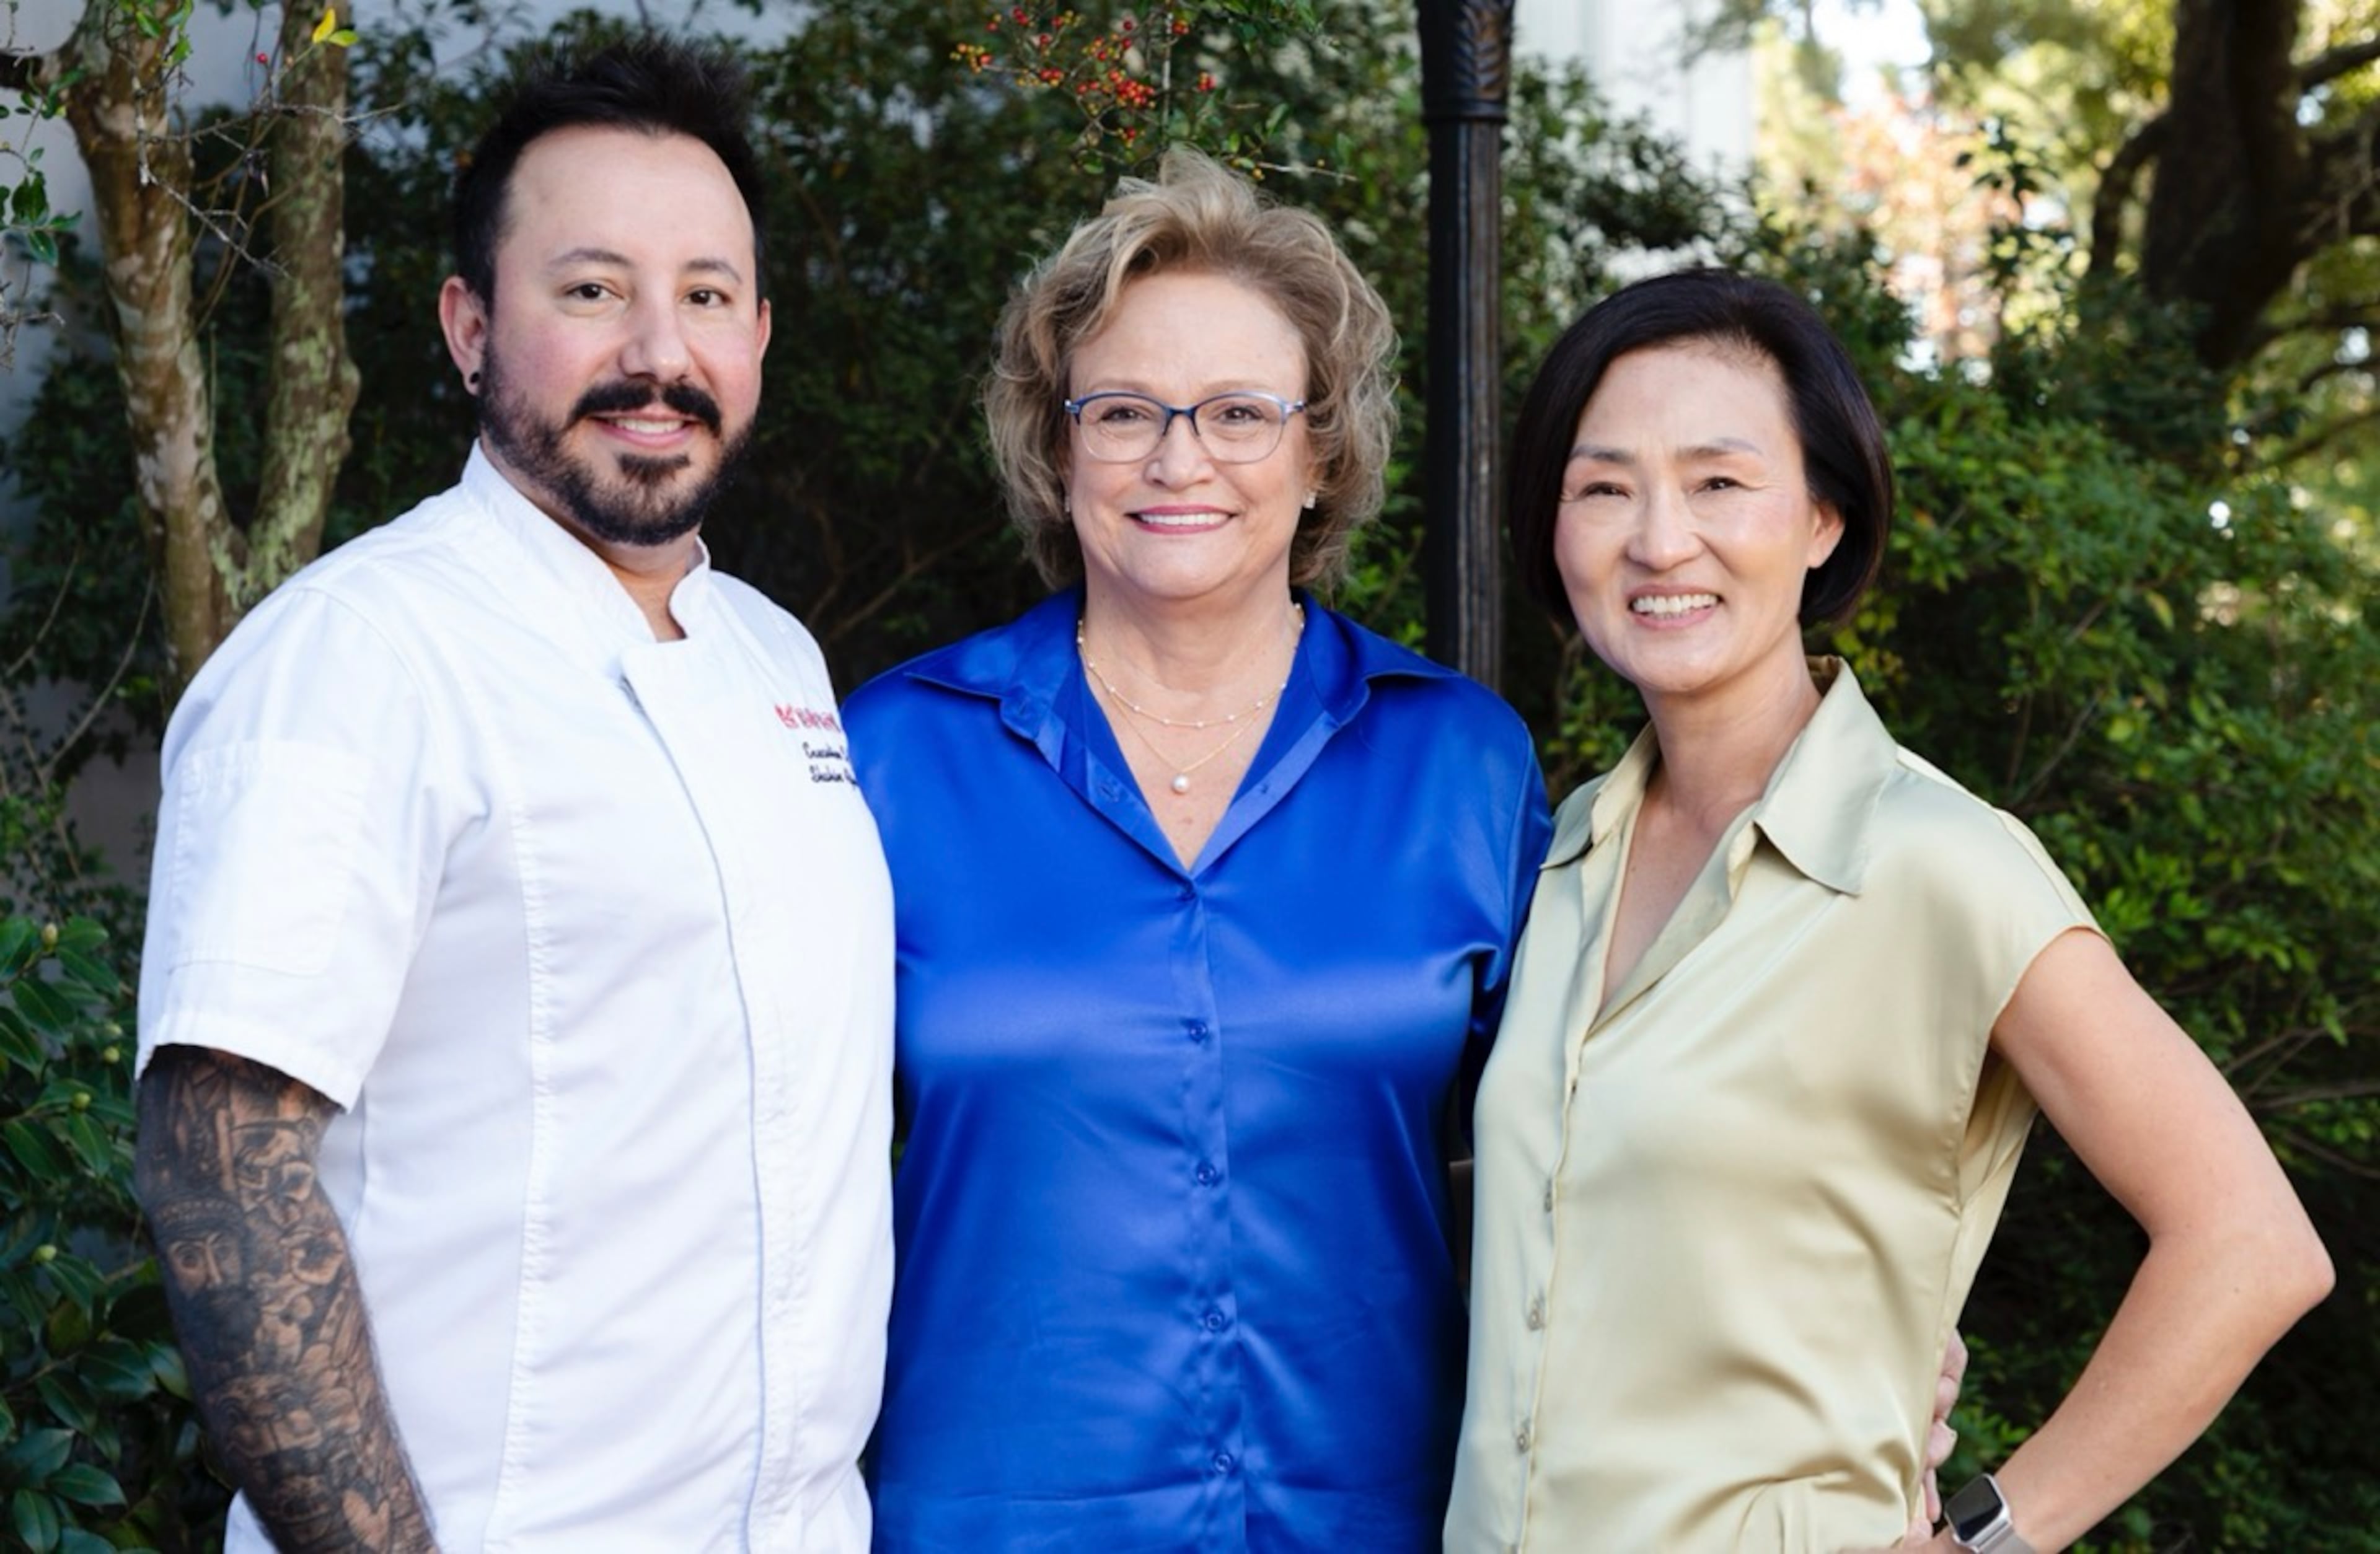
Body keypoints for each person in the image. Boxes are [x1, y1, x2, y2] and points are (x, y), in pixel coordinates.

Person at [132, 37, 892, 1552]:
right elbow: (223, 1177)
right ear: (470, 326)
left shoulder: (775, 657)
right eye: (593, 289)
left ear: (759, 335)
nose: (658, 355)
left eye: (707, 295)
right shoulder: (358, 656)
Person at [1446, 268, 2334, 1552]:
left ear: (1823, 518)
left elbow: (2249, 1243)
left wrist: (1987, 1538)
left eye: (1718, 481)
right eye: (1602, 487)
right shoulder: (1566, 848)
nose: (1657, 538)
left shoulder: (1940, 864)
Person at [840, 149, 1551, 1552]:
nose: (1180, 460)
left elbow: (1597, 1153)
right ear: (1056, 448)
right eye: (1123, 412)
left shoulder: (1462, 764)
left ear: (1321, 448)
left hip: (1368, 1523)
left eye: (1239, 411)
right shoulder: (892, 758)